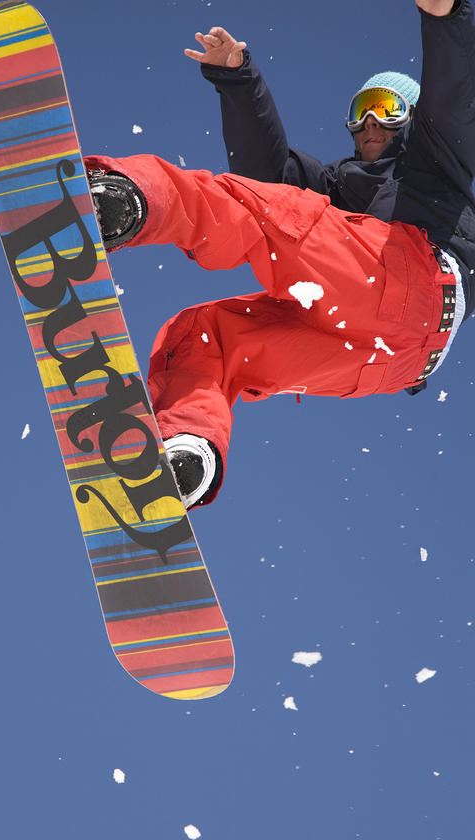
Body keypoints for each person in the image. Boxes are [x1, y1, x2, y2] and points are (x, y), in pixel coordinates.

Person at [85, 0, 475, 509]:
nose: (373, 122)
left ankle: (129, 200)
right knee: (204, 335)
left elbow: (452, 93)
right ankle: (189, 452)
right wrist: (239, 80)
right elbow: (265, 174)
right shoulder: (337, 186)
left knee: (268, 211)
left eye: (388, 106)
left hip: (419, 278)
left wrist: (446, 17)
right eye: (361, 111)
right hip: (385, 364)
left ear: (412, 118)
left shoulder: (434, 158)